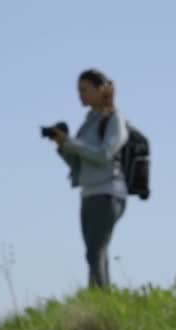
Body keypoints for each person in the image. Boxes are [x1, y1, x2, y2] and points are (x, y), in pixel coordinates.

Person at [50, 68, 129, 289]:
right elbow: (80, 164)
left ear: (100, 89)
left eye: (84, 90)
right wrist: (63, 147)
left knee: (96, 250)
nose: (80, 95)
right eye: (78, 90)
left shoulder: (114, 119)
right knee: (93, 251)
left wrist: (72, 143)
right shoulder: (88, 122)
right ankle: (99, 298)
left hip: (108, 192)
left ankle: (99, 301)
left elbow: (105, 154)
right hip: (89, 192)